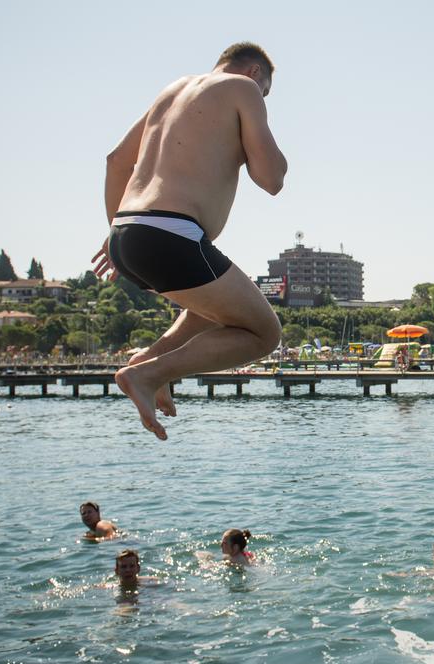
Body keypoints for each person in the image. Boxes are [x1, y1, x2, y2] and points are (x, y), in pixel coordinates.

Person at [92, 42, 287, 440]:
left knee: (208, 312)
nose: (261, 99)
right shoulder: (243, 88)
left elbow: (116, 160)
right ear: (253, 74)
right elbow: (271, 179)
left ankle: (150, 360)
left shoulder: (172, 91)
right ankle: (148, 374)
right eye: (265, 92)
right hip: (171, 234)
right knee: (265, 334)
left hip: (129, 234)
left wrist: (116, 231)